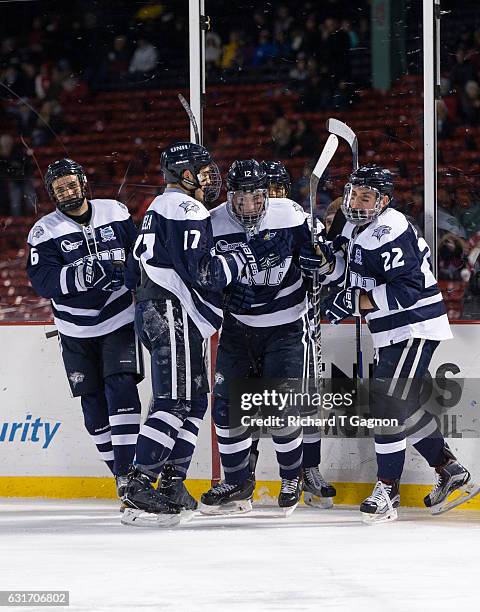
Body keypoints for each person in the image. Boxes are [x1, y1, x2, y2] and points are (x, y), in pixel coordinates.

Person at [300, 164, 479, 523]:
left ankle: (388, 489)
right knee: (403, 405)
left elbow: (408, 288)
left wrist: (353, 302)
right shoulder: (354, 226)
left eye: (366, 196)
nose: (357, 202)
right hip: (390, 328)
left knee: (385, 403)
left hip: (414, 325)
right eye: (354, 194)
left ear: (383, 200)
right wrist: (323, 259)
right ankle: (449, 468)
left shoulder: (389, 230)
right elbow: (347, 271)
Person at [122, 143, 289, 527]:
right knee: (174, 401)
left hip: (164, 310)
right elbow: (204, 272)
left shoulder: (157, 208)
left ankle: (172, 482)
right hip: (170, 311)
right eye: (201, 171)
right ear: (183, 175)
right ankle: (139, 484)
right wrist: (240, 260)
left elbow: (133, 272)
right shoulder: (185, 208)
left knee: (195, 399)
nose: (209, 177)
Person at [200, 159, 319, 517]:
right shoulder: (213, 222)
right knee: (225, 407)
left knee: (280, 407)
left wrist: (316, 259)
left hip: (285, 325)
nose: (248, 207)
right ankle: (237, 482)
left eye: (255, 199)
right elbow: (202, 275)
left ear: (267, 194)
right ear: (229, 196)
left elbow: (313, 262)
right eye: (240, 199)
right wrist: (222, 296)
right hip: (238, 328)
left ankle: (290, 476)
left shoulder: (290, 214)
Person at [26, 158, 143, 505]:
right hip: (74, 329)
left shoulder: (115, 212)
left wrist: (127, 276)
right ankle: (121, 478)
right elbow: (43, 281)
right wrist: (88, 275)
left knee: (120, 387)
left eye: (70, 183)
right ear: (52, 194)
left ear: (82, 183)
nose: (67, 190)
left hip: (119, 319)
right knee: (93, 404)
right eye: (59, 187)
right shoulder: (44, 231)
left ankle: (128, 476)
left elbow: (139, 256)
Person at [260, 160, 336, 508]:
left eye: (278, 189)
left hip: (300, 325)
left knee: (306, 402)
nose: (273, 196)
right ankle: (243, 475)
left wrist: (318, 253)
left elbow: (327, 268)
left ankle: (309, 468)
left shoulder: (303, 221)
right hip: (252, 328)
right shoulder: (248, 226)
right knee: (253, 402)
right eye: (268, 189)